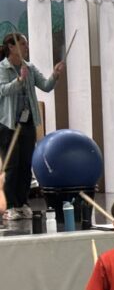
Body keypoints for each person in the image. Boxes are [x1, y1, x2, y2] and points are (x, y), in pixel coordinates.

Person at [0, 33, 64, 220]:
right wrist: (19, 80)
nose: (26, 47)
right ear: (11, 47)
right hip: (8, 123)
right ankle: (11, 205)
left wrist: (55, 74)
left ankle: (23, 202)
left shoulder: (29, 67)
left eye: (26, 44)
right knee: (12, 165)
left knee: (26, 164)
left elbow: (46, 86)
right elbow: (3, 90)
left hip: (27, 122)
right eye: (22, 44)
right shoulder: (3, 68)